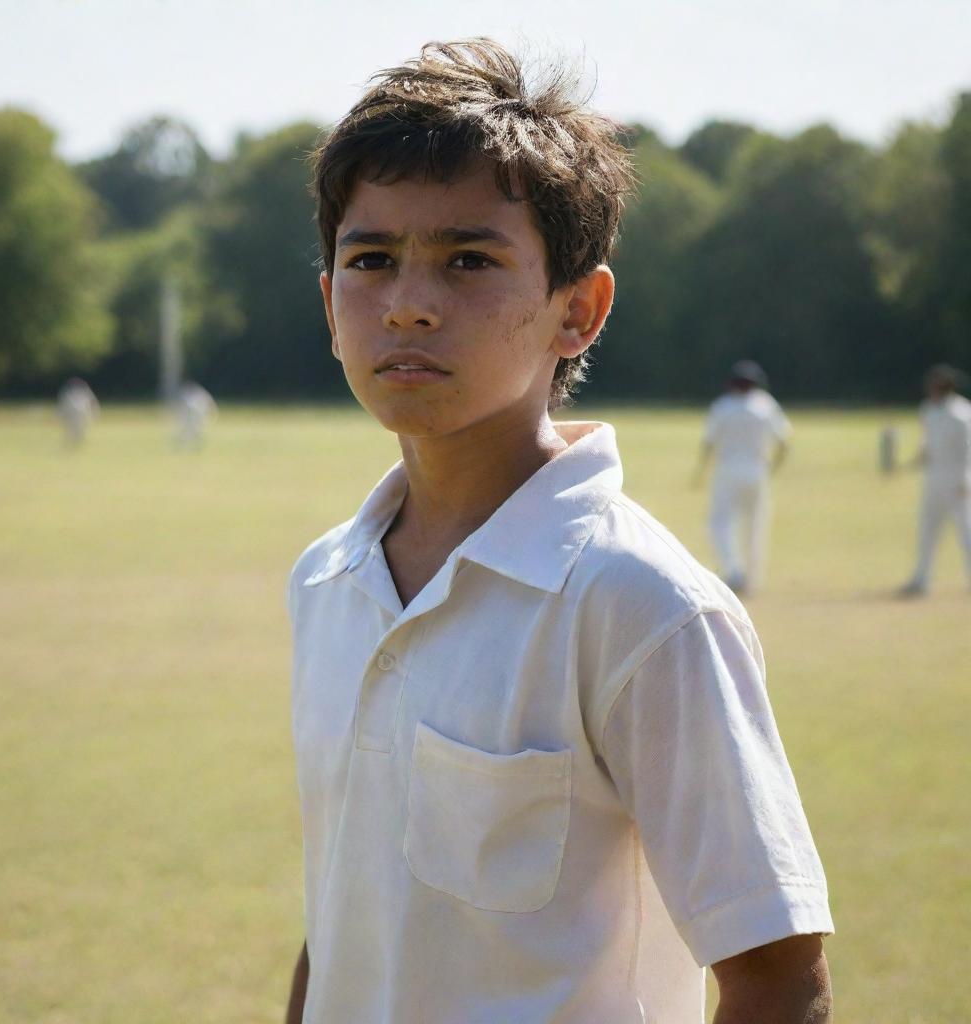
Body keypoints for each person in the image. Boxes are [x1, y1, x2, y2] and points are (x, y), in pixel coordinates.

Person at [286, 40, 833, 1024]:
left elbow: (777, 977)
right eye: (370, 260)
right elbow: (344, 910)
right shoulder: (327, 578)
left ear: (578, 309)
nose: (407, 304)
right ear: (330, 303)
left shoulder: (640, 603)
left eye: (468, 260)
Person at [694, 360, 791, 595]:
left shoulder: (723, 406)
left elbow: (708, 442)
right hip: (757, 471)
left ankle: (733, 571)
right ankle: (753, 579)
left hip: (727, 471)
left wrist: (700, 472)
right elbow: (785, 442)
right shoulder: (766, 406)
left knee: (720, 523)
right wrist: (772, 469)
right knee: (756, 524)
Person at [898, 363, 971, 596]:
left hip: (957, 478)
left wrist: (965, 480)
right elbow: (928, 444)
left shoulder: (962, 413)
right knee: (927, 529)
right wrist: (913, 462)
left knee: (965, 530)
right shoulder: (928, 409)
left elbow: (967, 449)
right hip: (933, 477)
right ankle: (922, 579)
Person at [172, 380, 217, 448]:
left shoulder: (200, 394)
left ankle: (194, 445)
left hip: (196, 417)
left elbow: (208, 403)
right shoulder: (186, 395)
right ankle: (182, 443)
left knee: (194, 431)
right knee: (186, 431)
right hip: (189, 417)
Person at [56, 377, 99, 448]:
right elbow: (62, 404)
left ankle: (77, 444)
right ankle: (71, 443)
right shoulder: (66, 392)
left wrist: (93, 413)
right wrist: (60, 415)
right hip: (71, 414)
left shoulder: (85, 391)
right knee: (70, 429)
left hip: (81, 414)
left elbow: (92, 402)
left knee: (80, 429)